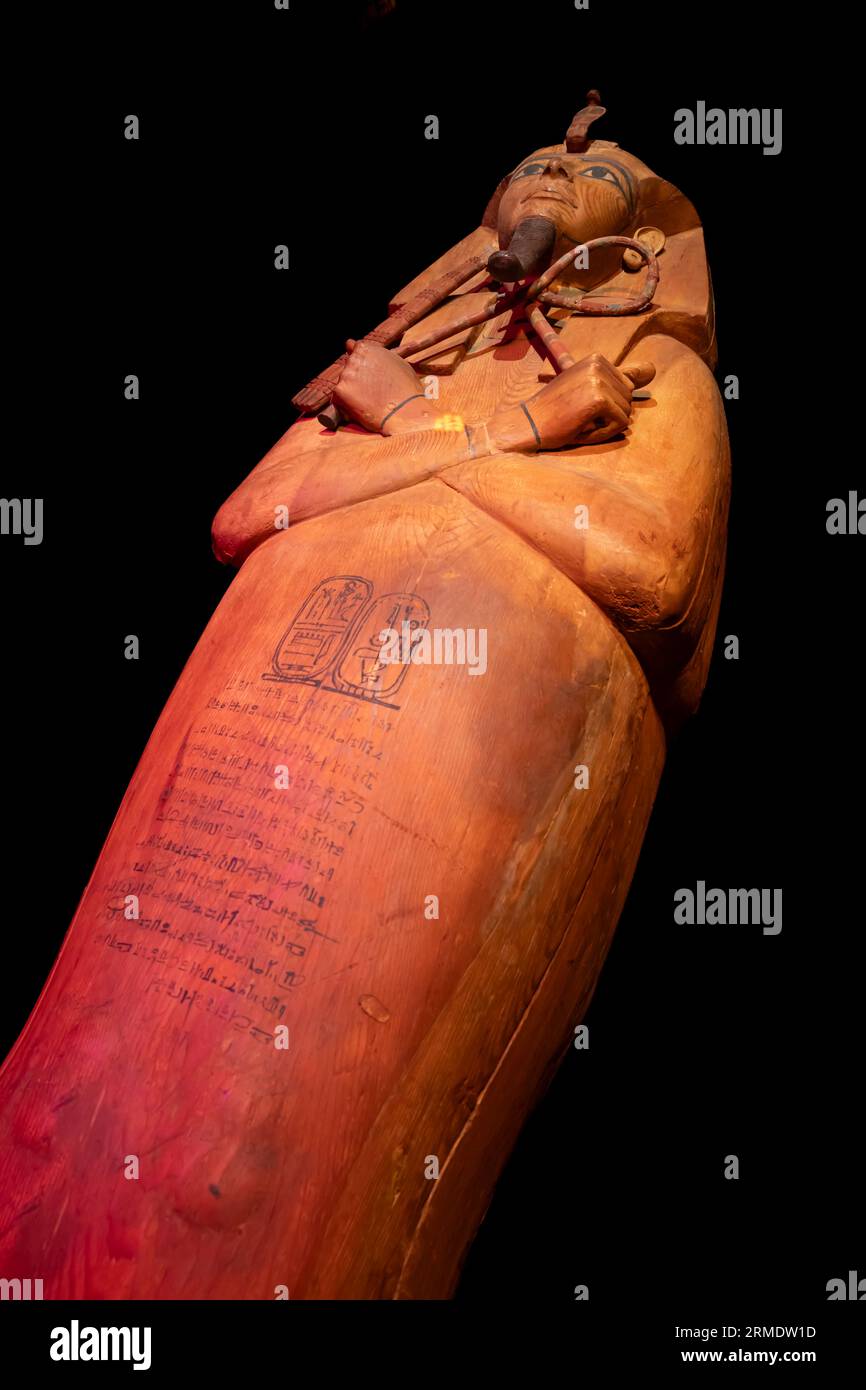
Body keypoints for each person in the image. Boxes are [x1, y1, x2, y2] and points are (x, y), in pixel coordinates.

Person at [0, 122, 729, 1299]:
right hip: (249, 714)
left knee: (283, 1136)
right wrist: (500, 430)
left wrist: (398, 433)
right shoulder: (406, 357)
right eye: (539, 162)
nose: (558, 175)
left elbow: (649, 570)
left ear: (650, 244)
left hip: (445, 764)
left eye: (598, 173)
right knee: (73, 1086)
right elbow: (251, 517)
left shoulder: (665, 376)